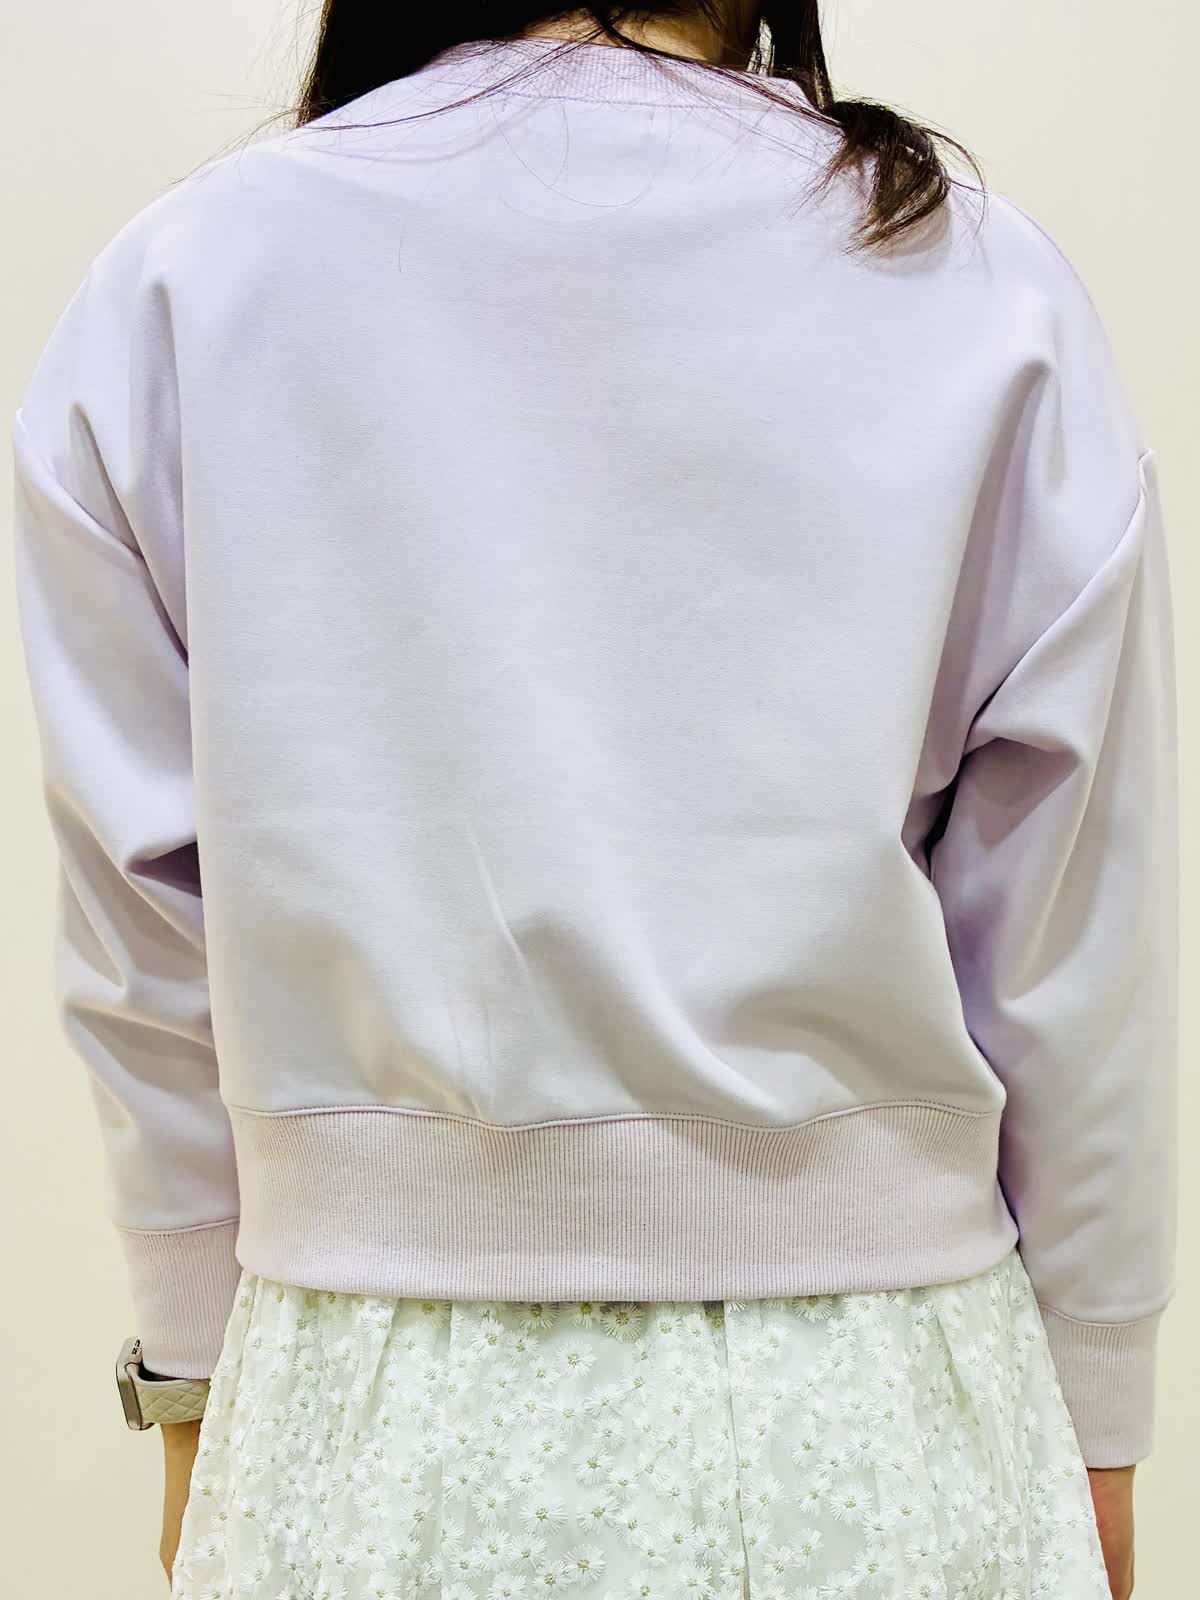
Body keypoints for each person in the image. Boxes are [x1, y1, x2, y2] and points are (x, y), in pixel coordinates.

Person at [11, 5, 1179, 1598]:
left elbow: (141, 925)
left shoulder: (179, 284)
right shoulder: (976, 280)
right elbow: (1074, 932)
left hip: (366, 1408)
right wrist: (1098, 1409)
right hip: (886, 1403)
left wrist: (192, 1374)